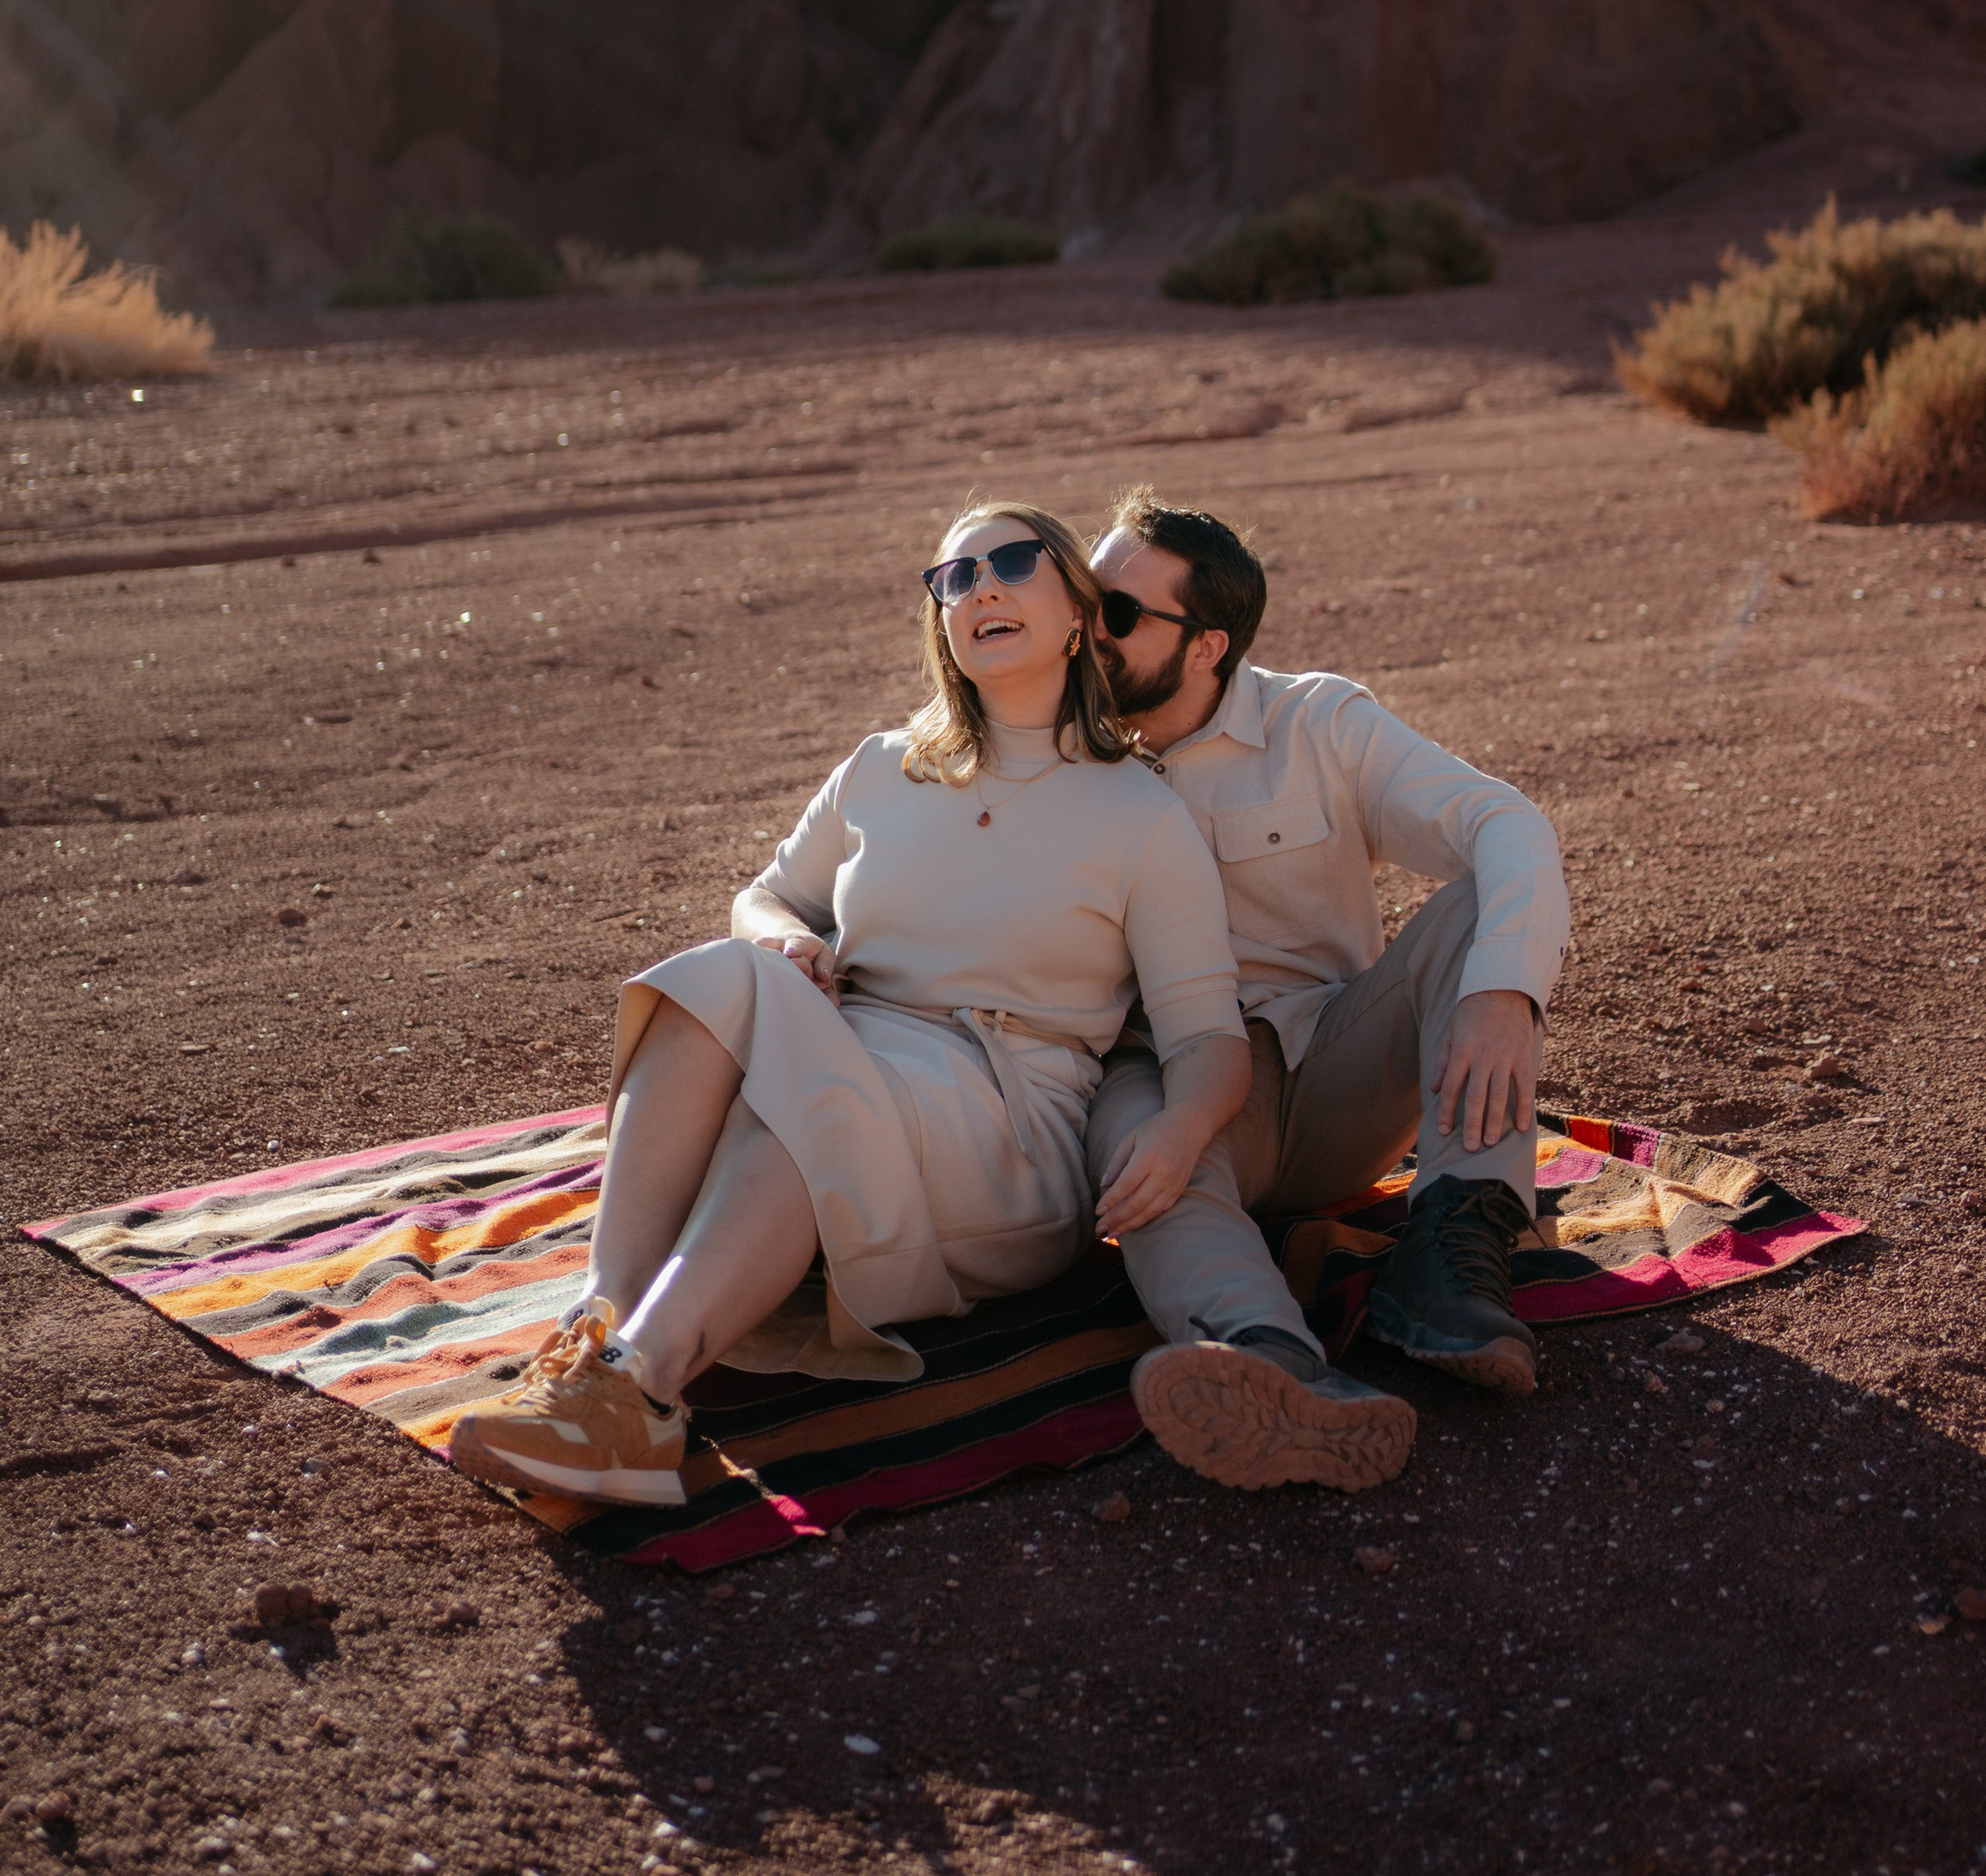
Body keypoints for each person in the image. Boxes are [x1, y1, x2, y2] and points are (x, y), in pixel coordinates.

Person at [448, 502, 1250, 1503]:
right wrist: (782, 936)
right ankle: (595, 1332)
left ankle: (640, 1403)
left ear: (1081, 612)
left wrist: (1180, 1131)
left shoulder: (1143, 813)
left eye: (1011, 563)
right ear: (941, 623)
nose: (981, 588)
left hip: (1010, 1119)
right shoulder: (883, 768)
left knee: (812, 1092)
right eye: (954, 578)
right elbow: (767, 895)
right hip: (856, 1046)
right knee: (716, 974)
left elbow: (1210, 1037)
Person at [1083, 485, 1570, 1495]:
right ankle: (1277, 1371)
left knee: (1484, 904)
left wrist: (1503, 996)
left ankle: (1447, 1269)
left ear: (1208, 644)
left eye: (1119, 614)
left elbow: (1506, 823)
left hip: (1333, 1071)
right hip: (1178, 1087)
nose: (1088, 630)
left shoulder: (1318, 724)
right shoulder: (1060, 753)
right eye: (1088, 602)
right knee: (1141, 1161)